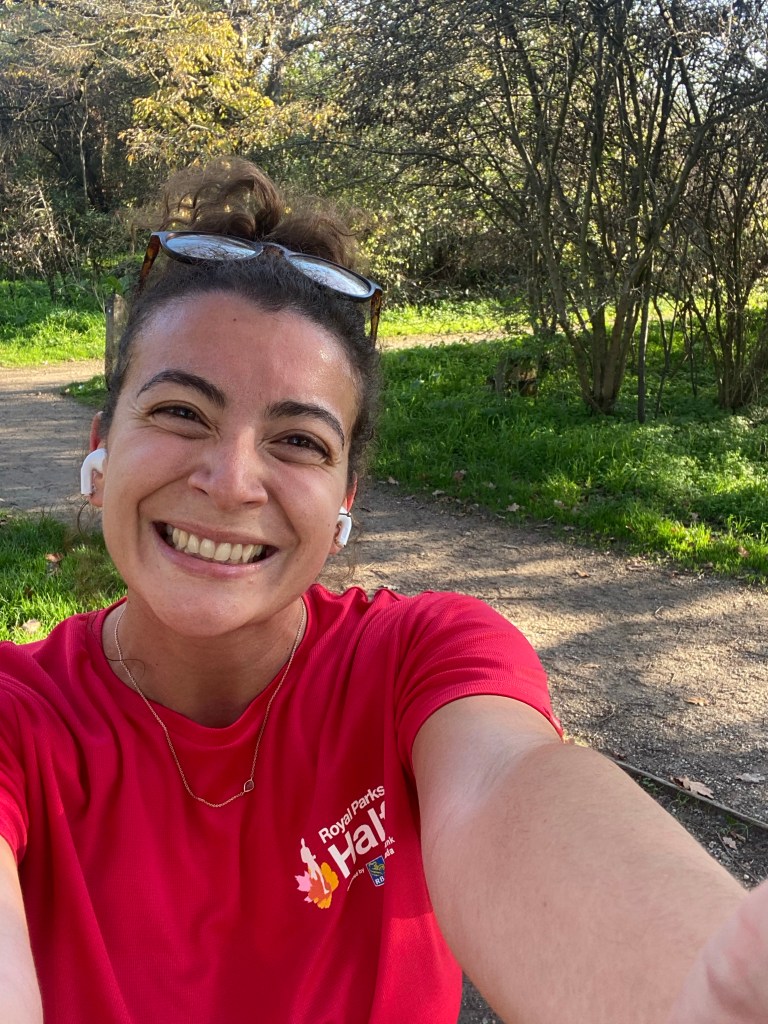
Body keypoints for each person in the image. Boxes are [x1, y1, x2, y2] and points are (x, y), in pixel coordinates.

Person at [0, 156, 766, 1024]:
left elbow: (505, 788)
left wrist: (692, 986)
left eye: (299, 441)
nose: (232, 481)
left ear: (345, 502)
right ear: (103, 450)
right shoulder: (19, 717)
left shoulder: (421, 661)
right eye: (180, 412)